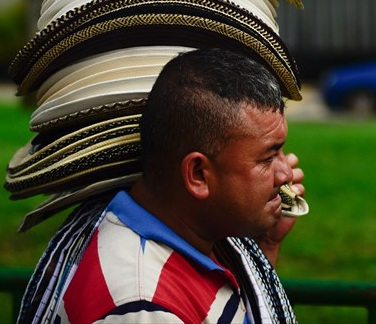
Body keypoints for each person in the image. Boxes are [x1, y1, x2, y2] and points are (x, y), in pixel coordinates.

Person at [18, 48, 305, 324]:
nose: (285, 173)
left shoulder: (205, 239)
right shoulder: (143, 308)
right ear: (198, 175)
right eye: (268, 156)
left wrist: (265, 248)